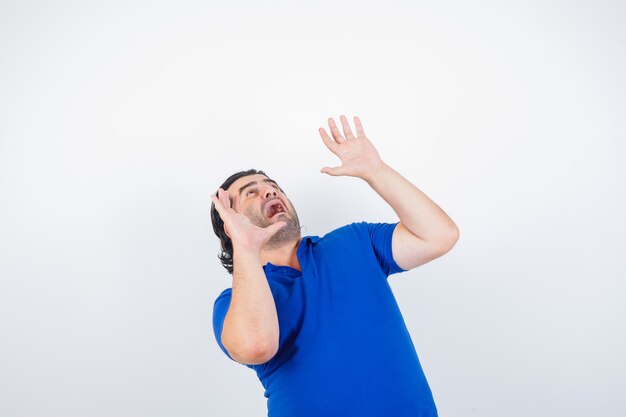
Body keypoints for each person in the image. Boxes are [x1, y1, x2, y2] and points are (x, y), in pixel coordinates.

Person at [210, 115, 460, 417]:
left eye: (274, 187)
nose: (271, 191)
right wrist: (246, 248)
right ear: (229, 224)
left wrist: (376, 171)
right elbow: (256, 347)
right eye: (251, 192)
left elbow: (439, 236)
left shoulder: (355, 241)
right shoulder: (232, 304)